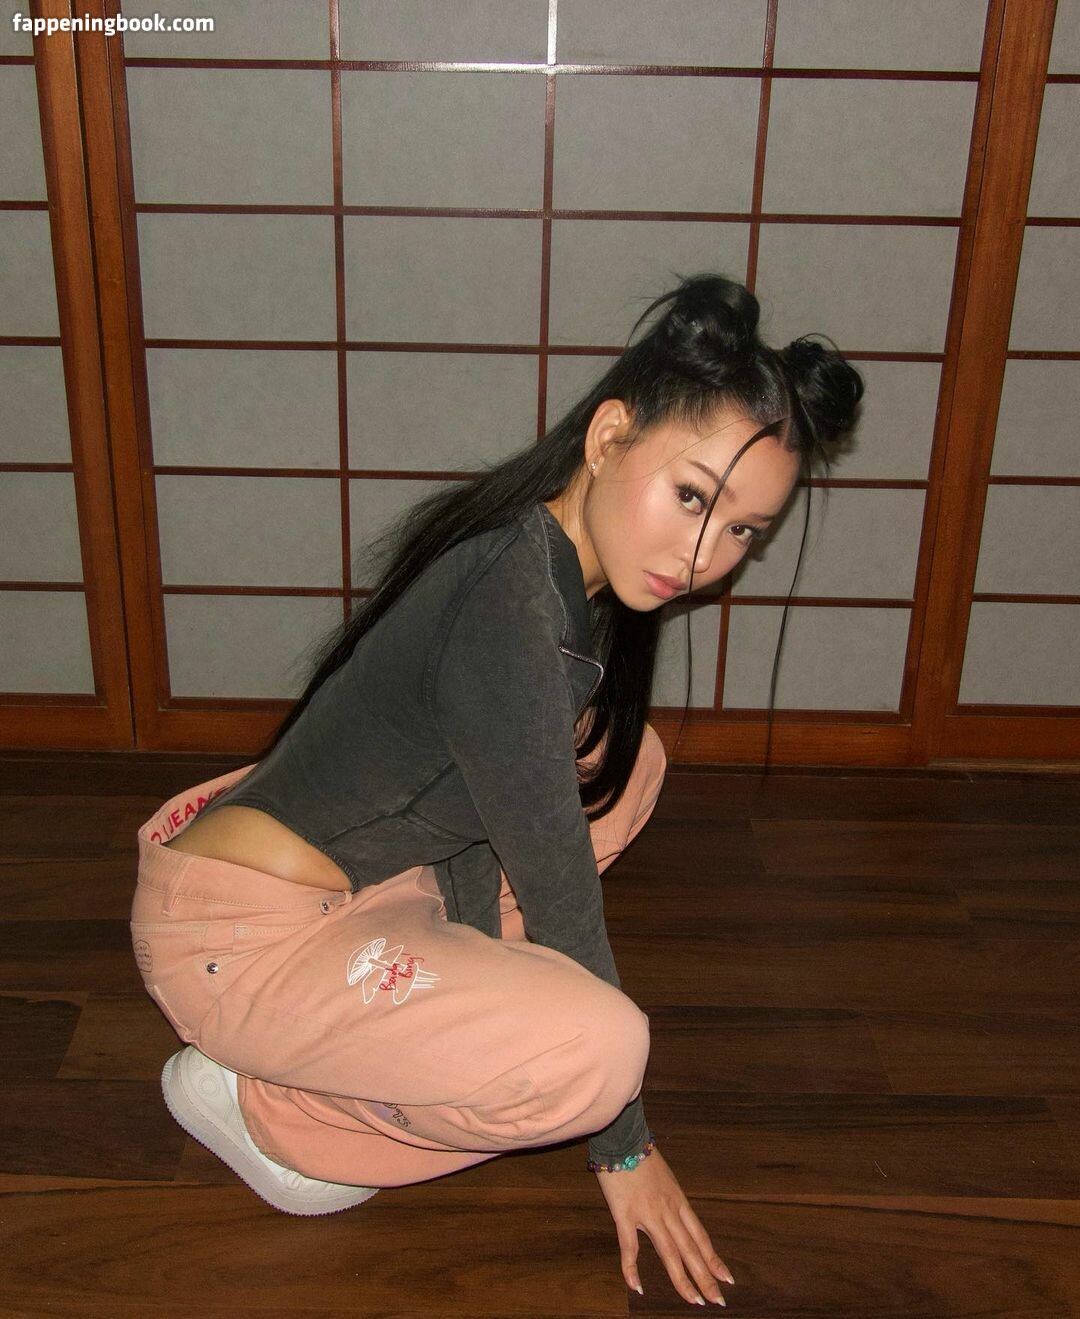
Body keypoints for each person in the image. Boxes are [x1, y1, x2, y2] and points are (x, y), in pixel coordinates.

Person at [130, 272, 863, 1308]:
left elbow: (491, 818)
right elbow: (561, 893)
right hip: (243, 938)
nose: (706, 555)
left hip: (366, 876)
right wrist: (624, 1145)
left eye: (745, 530)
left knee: (626, 761)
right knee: (600, 1051)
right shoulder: (507, 608)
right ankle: (267, 1108)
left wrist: (477, 960)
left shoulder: (556, 562)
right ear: (609, 437)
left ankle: (379, 1018)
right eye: (694, 496)